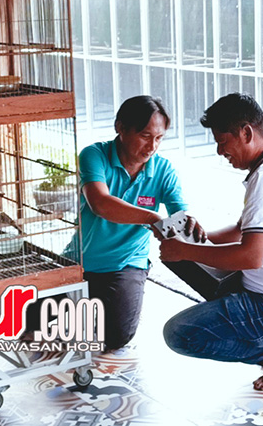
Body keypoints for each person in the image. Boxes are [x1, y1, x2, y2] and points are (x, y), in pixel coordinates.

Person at [159, 93, 263, 392]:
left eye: (223, 141)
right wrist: (198, 237)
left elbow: (251, 256)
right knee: (203, 273)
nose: (220, 151)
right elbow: (241, 230)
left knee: (178, 334)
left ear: (246, 133)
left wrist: (183, 249)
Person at [75, 95, 205, 352]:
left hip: (127, 263)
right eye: (145, 136)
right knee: (35, 318)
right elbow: (100, 203)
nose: (152, 146)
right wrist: (151, 217)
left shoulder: (163, 170)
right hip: (81, 258)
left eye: (159, 138)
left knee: (116, 336)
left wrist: (189, 221)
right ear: (120, 128)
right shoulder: (94, 155)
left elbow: (179, 213)